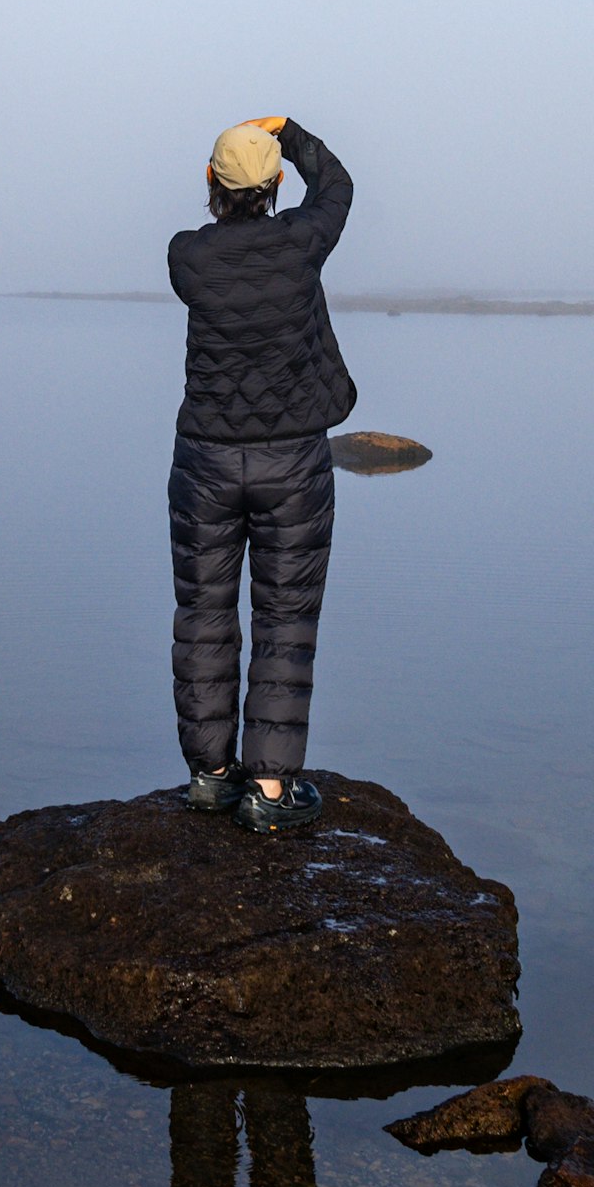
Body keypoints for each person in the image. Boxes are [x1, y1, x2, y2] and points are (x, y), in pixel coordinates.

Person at [167, 115, 355, 834]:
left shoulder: (188, 257)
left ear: (211, 183)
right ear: (277, 184)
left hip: (206, 459)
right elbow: (336, 187)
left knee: (204, 612)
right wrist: (292, 133)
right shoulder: (301, 244)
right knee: (284, 616)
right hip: (294, 460)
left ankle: (212, 776)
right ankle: (270, 788)